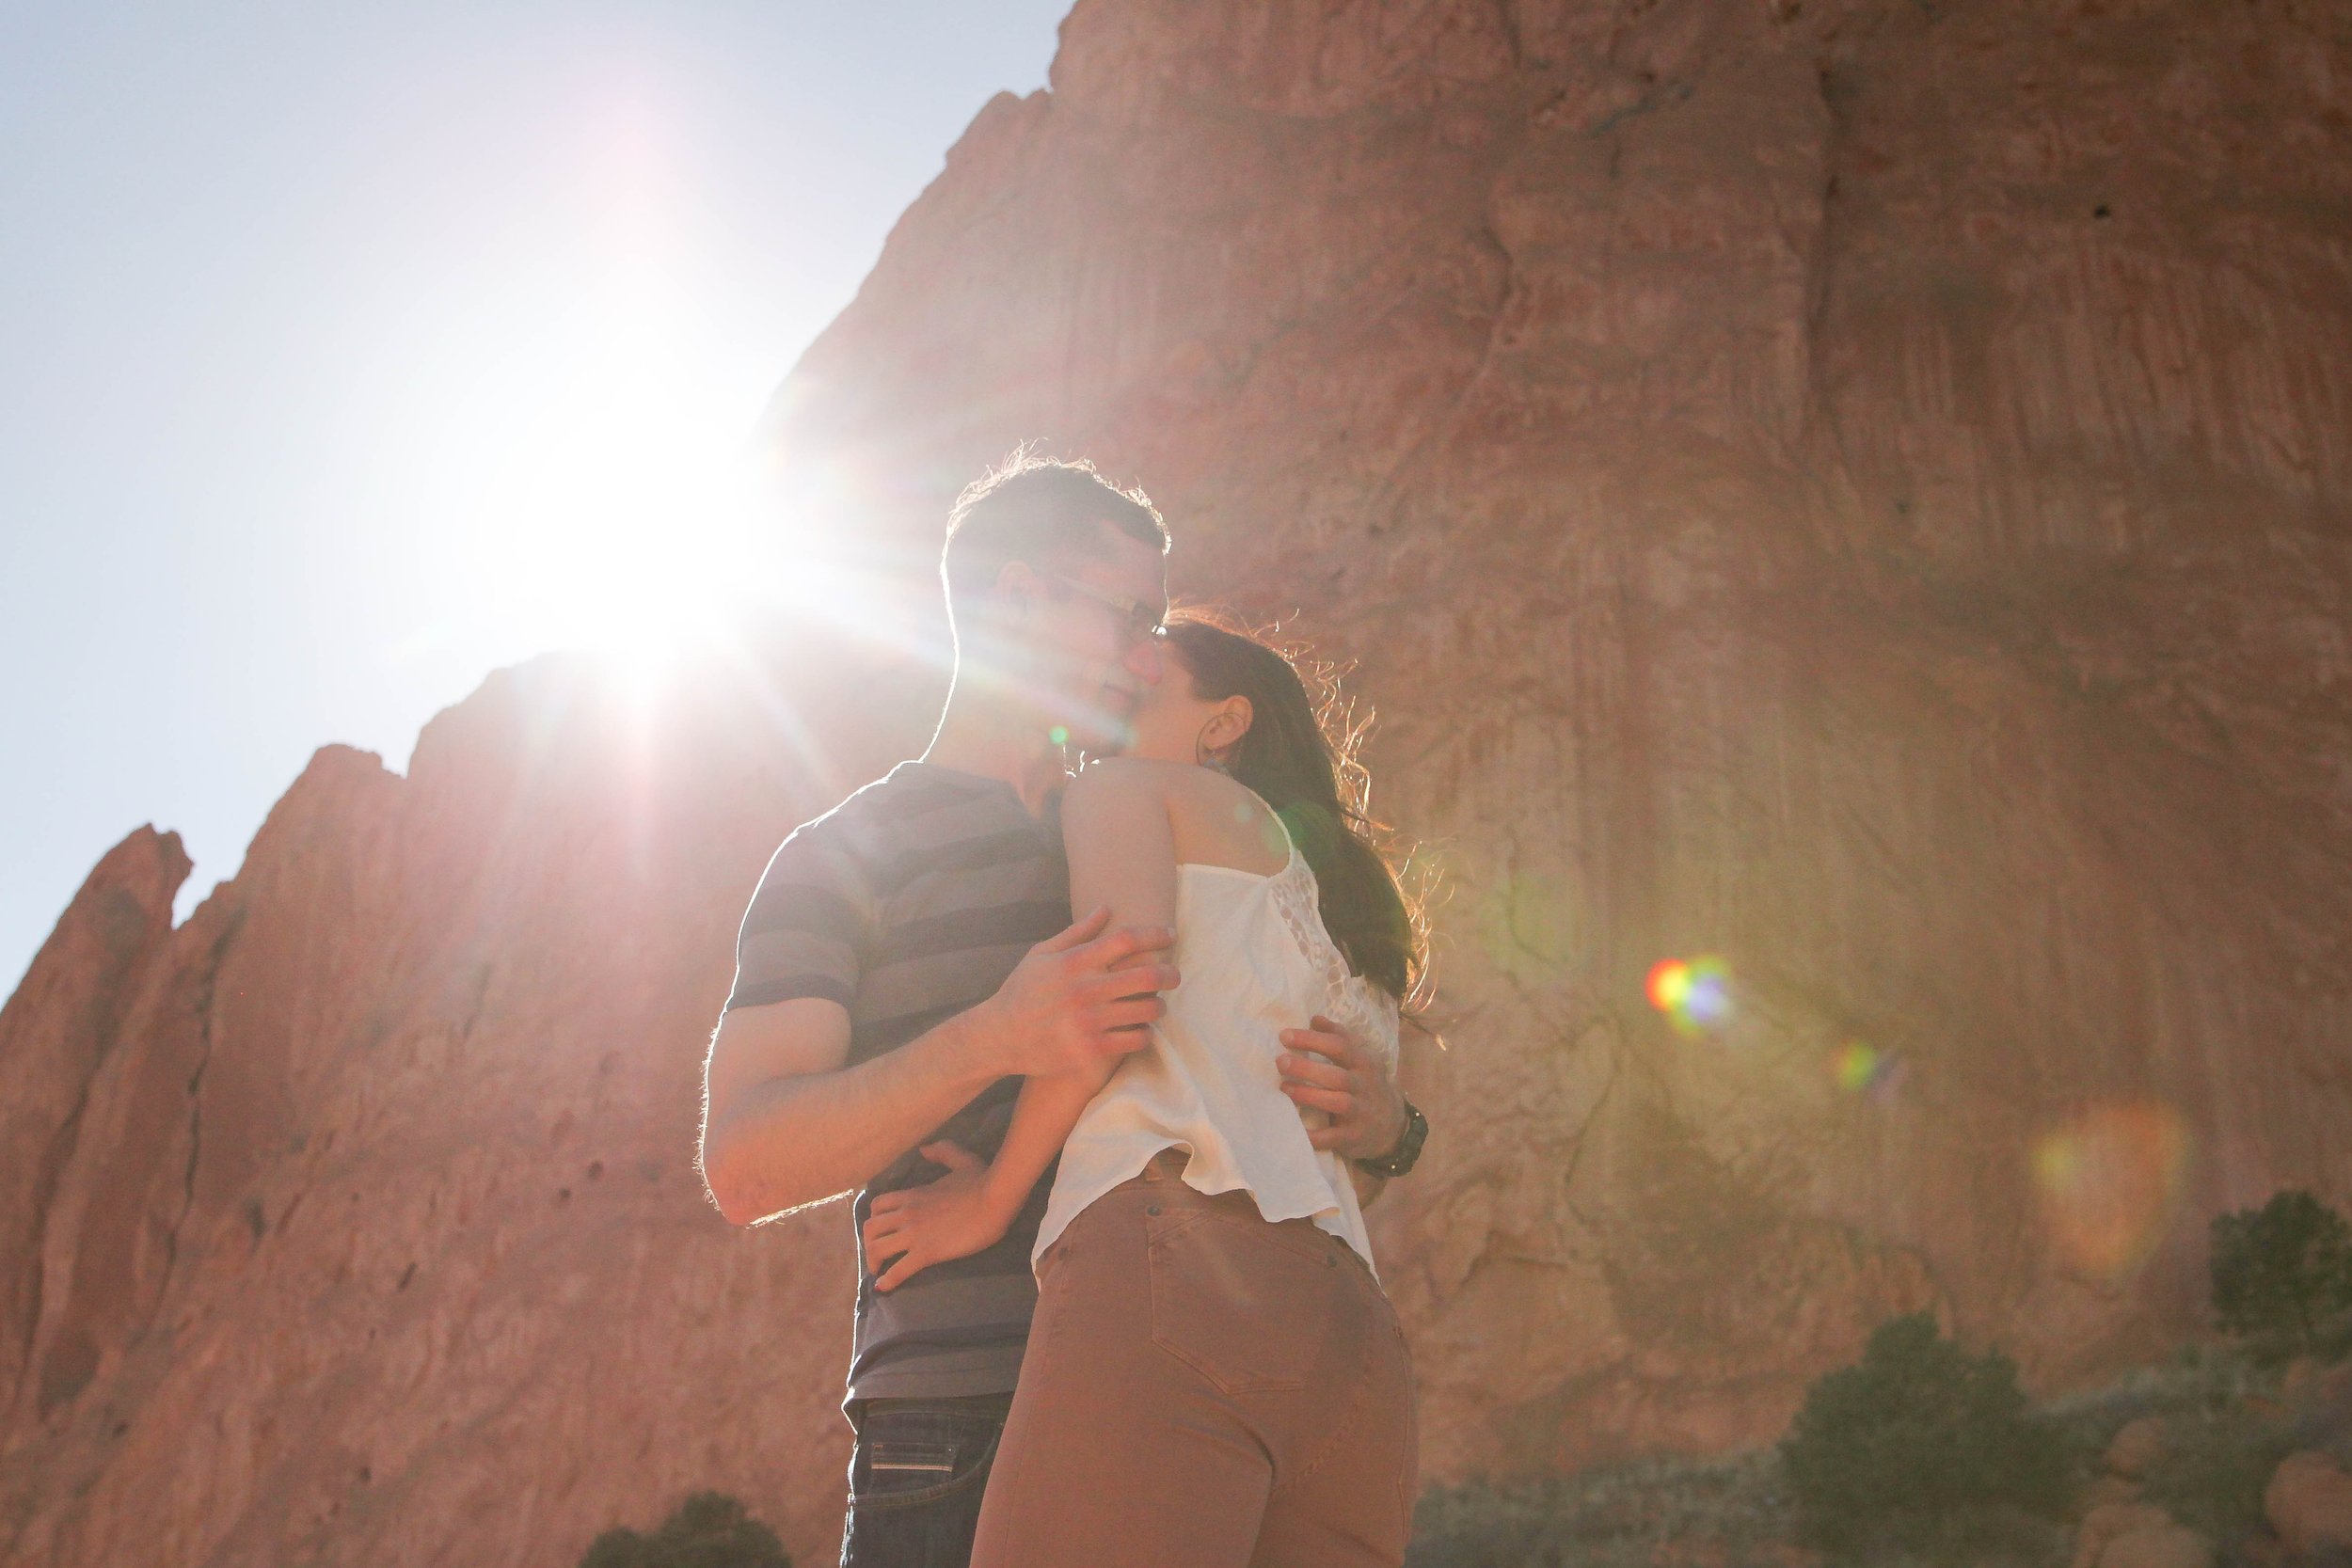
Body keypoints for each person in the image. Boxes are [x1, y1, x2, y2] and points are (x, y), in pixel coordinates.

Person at [696, 454, 1427, 1568]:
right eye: (1130, 615)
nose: (1146, 655)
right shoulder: (840, 858)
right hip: (964, 1417)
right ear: (1019, 598)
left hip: (1214, 1390)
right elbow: (744, 1162)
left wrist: (1388, 1125)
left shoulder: (1158, 810)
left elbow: (1288, 1070)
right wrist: (991, 1033)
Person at [858, 610, 1429, 1568]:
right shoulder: (1340, 917)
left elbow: (1111, 998)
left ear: (1223, 721)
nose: (1115, 676)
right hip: (1352, 1341)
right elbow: (1357, 1149)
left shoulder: (1128, 790)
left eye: (1147, 670)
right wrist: (1396, 1133)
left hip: (1179, 1266)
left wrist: (989, 1199)